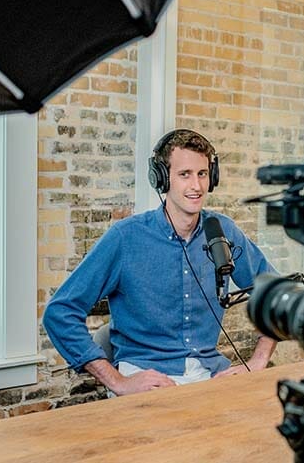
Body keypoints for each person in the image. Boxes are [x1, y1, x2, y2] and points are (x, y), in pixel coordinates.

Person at [43, 129, 277, 396]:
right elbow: (59, 312)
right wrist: (118, 381)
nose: (197, 186)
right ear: (162, 178)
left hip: (209, 374)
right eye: (184, 174)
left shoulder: (222, 231)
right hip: (144, 377)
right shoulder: (125, 237)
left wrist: (257, 362)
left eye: (202, 174)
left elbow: (277, 295)